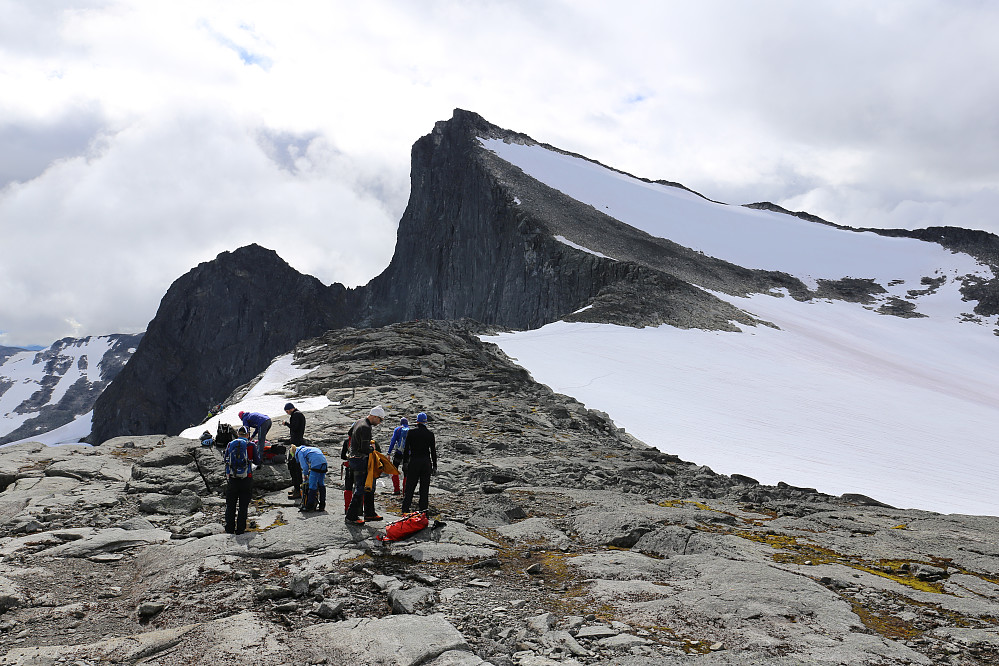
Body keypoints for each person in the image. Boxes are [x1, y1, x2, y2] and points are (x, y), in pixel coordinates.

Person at [344, 405, 386, 525]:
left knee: (369, 487)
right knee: (361, 488)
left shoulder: (359, 422)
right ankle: (351, 517)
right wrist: (372, 449)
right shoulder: (366, 427)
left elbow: (350, 433)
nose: (380, 422)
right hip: (360, 460)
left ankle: (369, 513)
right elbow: (364, 448)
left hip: (354, 458)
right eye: (380, 419)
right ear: (374, 416)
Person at [401, 412, 438, 514]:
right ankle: (424, 512)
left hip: (414, 462)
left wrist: (405, 462)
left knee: (410, 488)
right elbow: (433, 451)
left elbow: (406, 449)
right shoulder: (430, 434)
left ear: (417, 421)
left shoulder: (411, 433)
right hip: (426, 463)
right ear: (425, 422)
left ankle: (405, 510)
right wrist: (434, 465)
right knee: (424, 489)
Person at [224, 426, 256, 534]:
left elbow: (225, 459)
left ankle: (229, 528)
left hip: (233, 479)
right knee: (243, 506)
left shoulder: (230, 444)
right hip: (247, 478)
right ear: (247, 435)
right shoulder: (251, 445)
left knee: (231, 505)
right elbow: (257, 460)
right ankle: (240, 529)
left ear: (238, 434)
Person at [282, 403, 306, 500]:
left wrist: (286, 424)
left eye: (287, 411)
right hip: (297, 442)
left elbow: (295, 428)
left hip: (296, 444)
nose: (287, 413)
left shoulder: (296, 415)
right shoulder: (298, 414)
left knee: (294, 466)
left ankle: (298, 489)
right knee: (295, 465)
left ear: (290, 409)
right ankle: (297, 488)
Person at [295, 443, 328, 512]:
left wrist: (305, 474)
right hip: (324, 463)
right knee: (321, 483)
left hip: (316, 464)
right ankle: (322, 505)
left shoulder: (300, 452)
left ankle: (310, 506)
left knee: (312, 485)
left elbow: (304, 466)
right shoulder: (310, 449)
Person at [387, 417, 409, 495]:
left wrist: (389, 453)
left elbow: (393, 441)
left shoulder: (397, 429)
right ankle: (405, 492)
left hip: (398, 453)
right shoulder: (410, 430)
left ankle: (396, 489)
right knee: (406, 472)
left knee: (394, 469)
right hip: (408, 454)